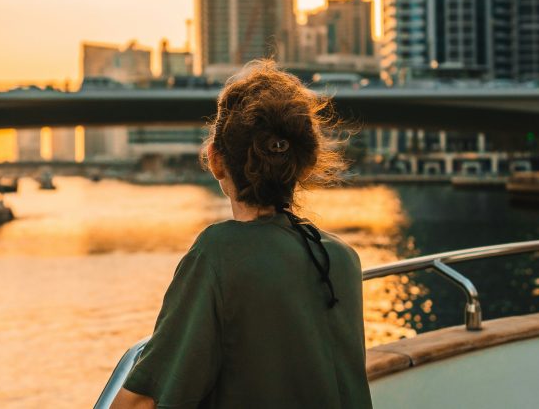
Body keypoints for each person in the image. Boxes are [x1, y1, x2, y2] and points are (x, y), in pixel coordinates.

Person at [111, 60, 372, 409]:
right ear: (305, 164)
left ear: (215, 160)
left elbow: (142, 401)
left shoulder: (219, 254)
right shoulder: (341, 257)